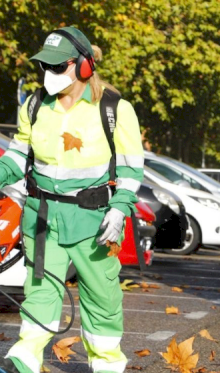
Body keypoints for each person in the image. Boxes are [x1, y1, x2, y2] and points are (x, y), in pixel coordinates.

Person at [0, 27, 144, 373]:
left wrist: (120, 208)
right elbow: (20, 157)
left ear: (83, 66)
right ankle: (26, 358)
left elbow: (130, 168)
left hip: (93, 220)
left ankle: (107, 364)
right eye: (45, 67)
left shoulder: (114, 109)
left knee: (102, 297)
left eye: (57, 66)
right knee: (40, 291)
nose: (49, 75)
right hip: (42, 218)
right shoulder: (34, 106)